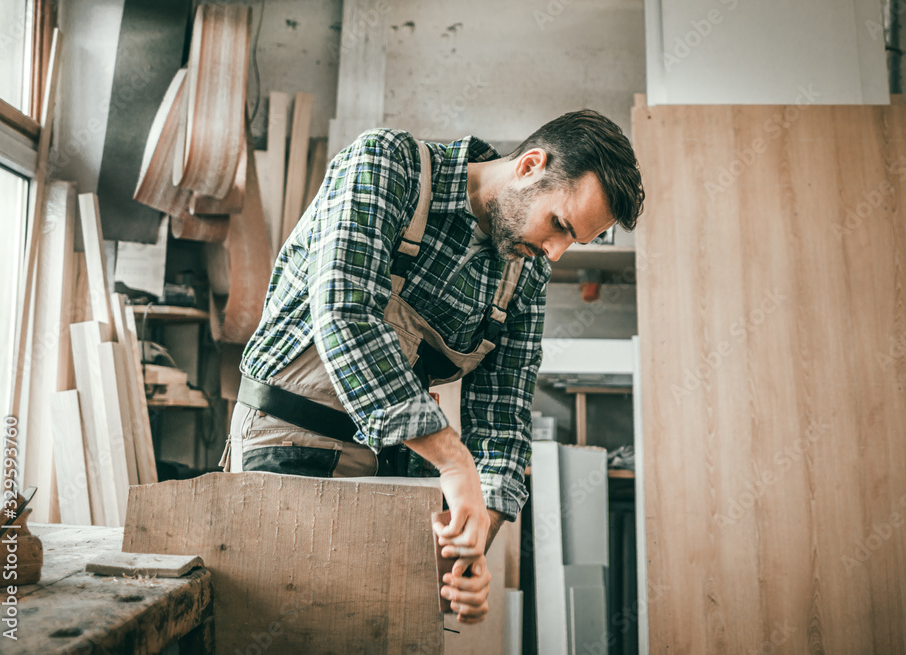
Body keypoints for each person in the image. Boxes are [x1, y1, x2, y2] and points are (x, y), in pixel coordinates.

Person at [219, 108, 644, 623]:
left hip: (396, 464)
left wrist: (470, 545)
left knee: (376, 632)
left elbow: (503, 429)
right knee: (273, 625)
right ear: (531, 165)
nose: (554, 253)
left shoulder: (524, 276)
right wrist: (452, 460)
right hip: (286, 439)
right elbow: (345, 311)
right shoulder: (387, 164)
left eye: (572, 241)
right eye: (558, 224)